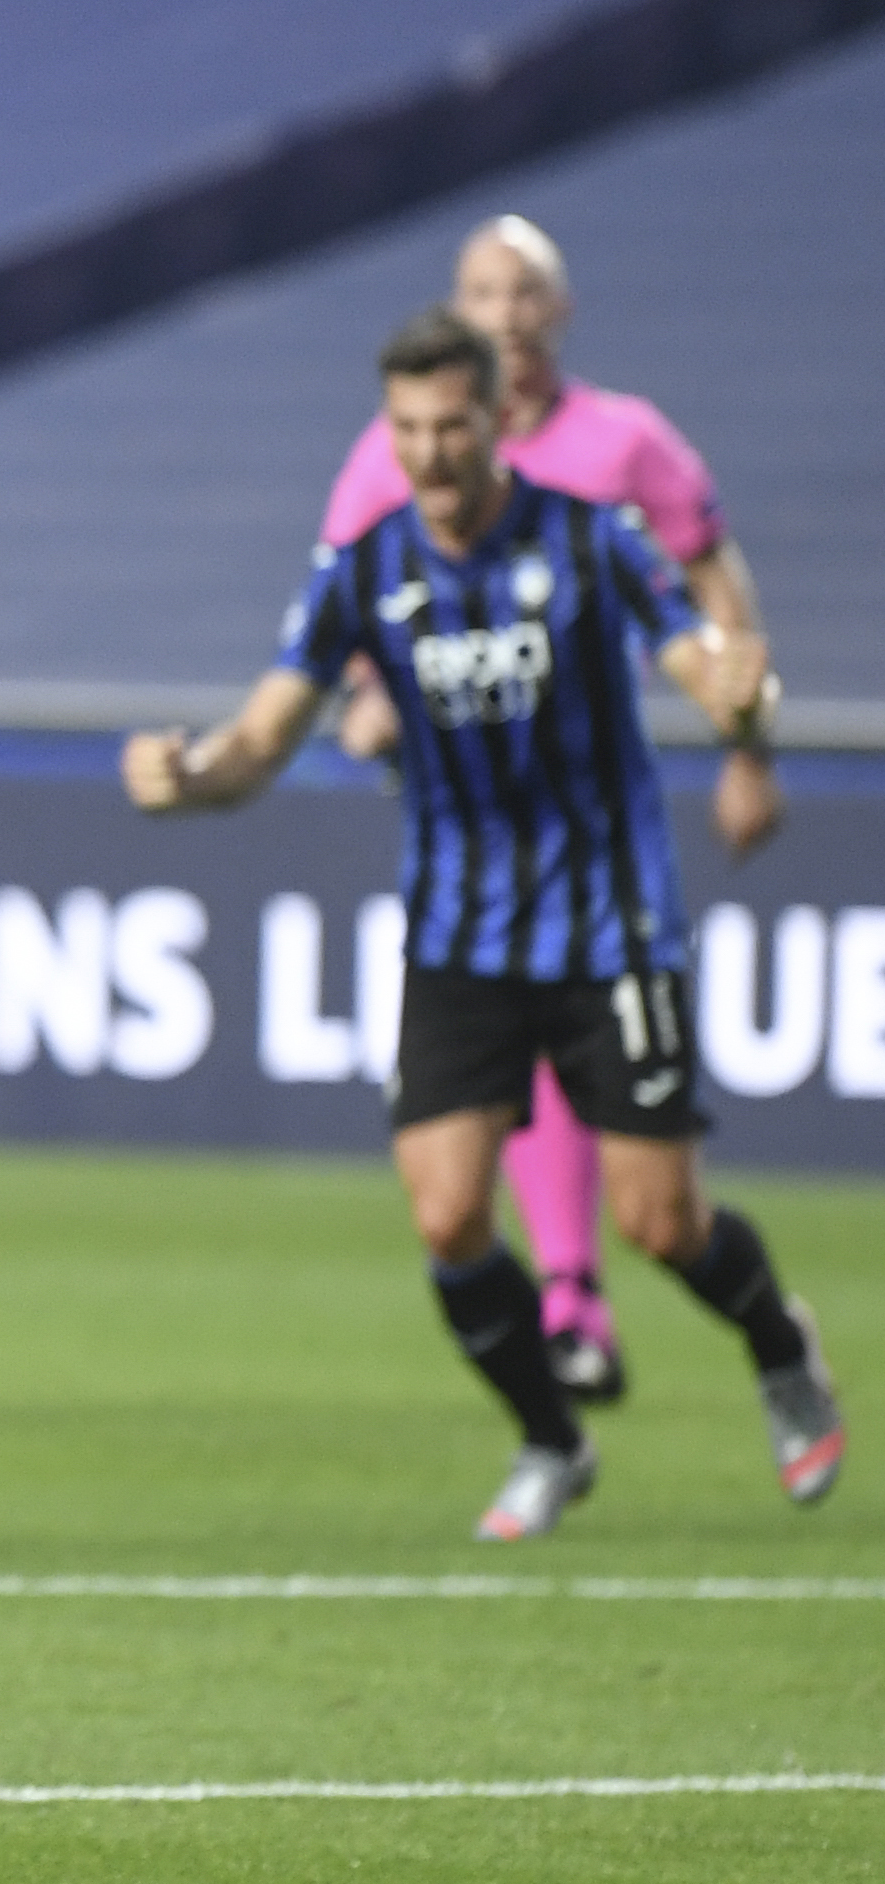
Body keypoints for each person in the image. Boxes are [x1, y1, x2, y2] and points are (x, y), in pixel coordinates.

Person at [122, 305, 842, 1542]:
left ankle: (780, 1346)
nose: (428, 453)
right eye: (405, 428)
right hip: (459, 938)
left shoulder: (588, 540)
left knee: (657, 1221)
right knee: (448, 1213)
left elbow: (698, 657)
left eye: (449, 424)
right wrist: (189, 777)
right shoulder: (362, 569)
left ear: (495, 415)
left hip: (609, 925)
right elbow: (260, 740)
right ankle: (550, 1439)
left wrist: (739, 711)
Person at [318, 215, 784, 1405]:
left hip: (588, 810)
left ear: (557, 311)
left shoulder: (622, 443)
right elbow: (345, 604)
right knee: (456, 1156)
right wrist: (362, 701)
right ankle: (566, 1304)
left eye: (523, 291)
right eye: (482, 290)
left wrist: (745, 739)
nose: (505, 312)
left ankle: (593, 1285)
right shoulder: (394, 447)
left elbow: (705, 578)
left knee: (645, 1180)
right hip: (464, 815)